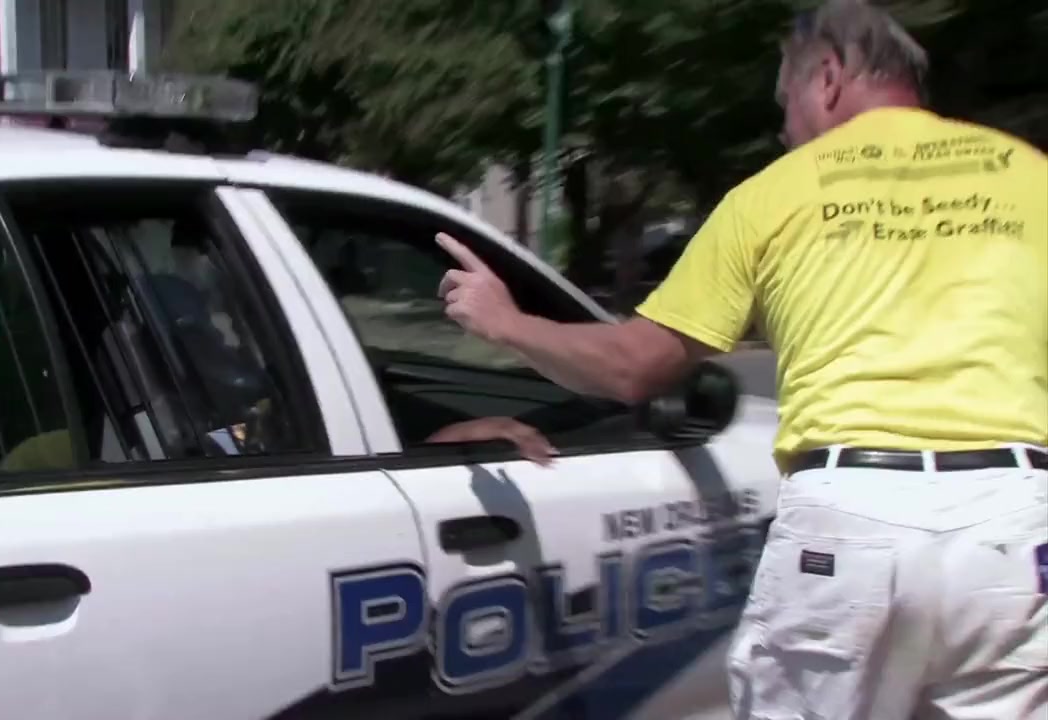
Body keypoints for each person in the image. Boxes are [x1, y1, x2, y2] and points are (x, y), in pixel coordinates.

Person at [435, 0, 1047, 717]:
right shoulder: (1029, 175)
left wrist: (507, 322)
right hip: (1018, 524)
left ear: (827, 76)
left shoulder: (775, 194)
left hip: (852, 521)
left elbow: (634, 366)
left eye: (785, 102)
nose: (785, 129)